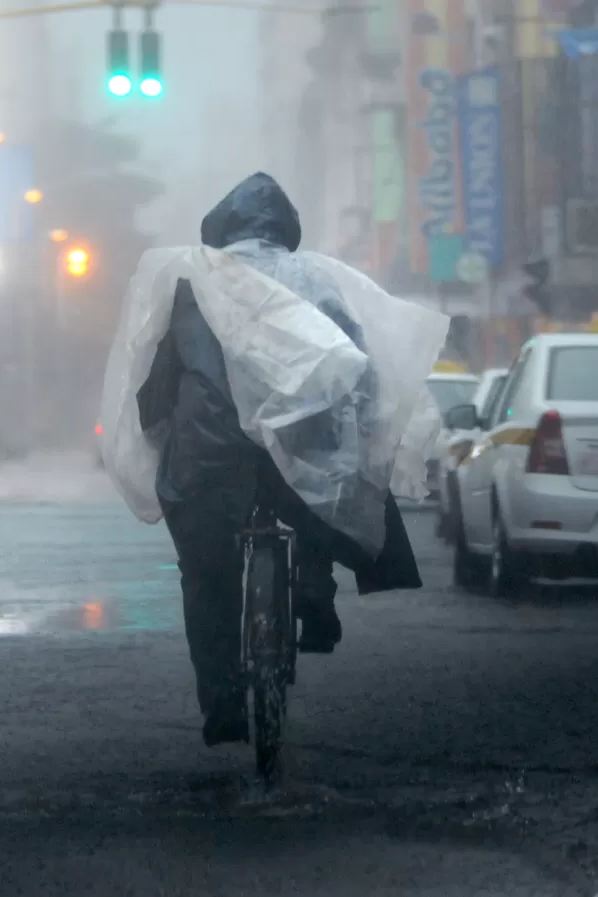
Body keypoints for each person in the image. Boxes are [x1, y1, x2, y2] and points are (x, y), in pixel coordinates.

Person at [135, 173, 423, 746]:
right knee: (323, 496)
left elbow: (158, 384)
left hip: (210, 458)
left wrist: (159, 431)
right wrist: (362, 433)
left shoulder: (192, 287)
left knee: (206, 574)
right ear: (285, 232)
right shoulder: (315, 281)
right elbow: (357, 370)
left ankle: (221, 706)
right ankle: (315, 603)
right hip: (298, 448)